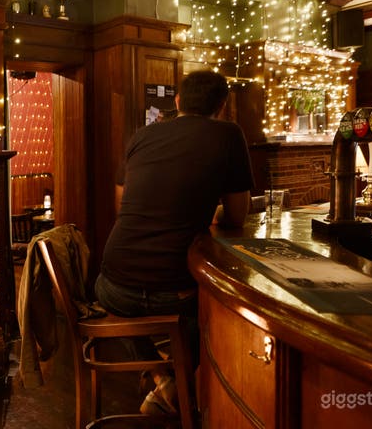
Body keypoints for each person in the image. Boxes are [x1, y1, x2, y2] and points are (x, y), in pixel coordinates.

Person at [94, 69, 254, 415]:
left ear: (178, 101)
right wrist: (208, 216)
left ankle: (159, 376)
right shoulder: (229, 135)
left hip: (112, 282)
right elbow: (238, 216)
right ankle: (173, 381)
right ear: (222, 105)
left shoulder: (143, 135)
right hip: (175, 292)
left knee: (114, 299)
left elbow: (120, 203)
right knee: (211, 309)